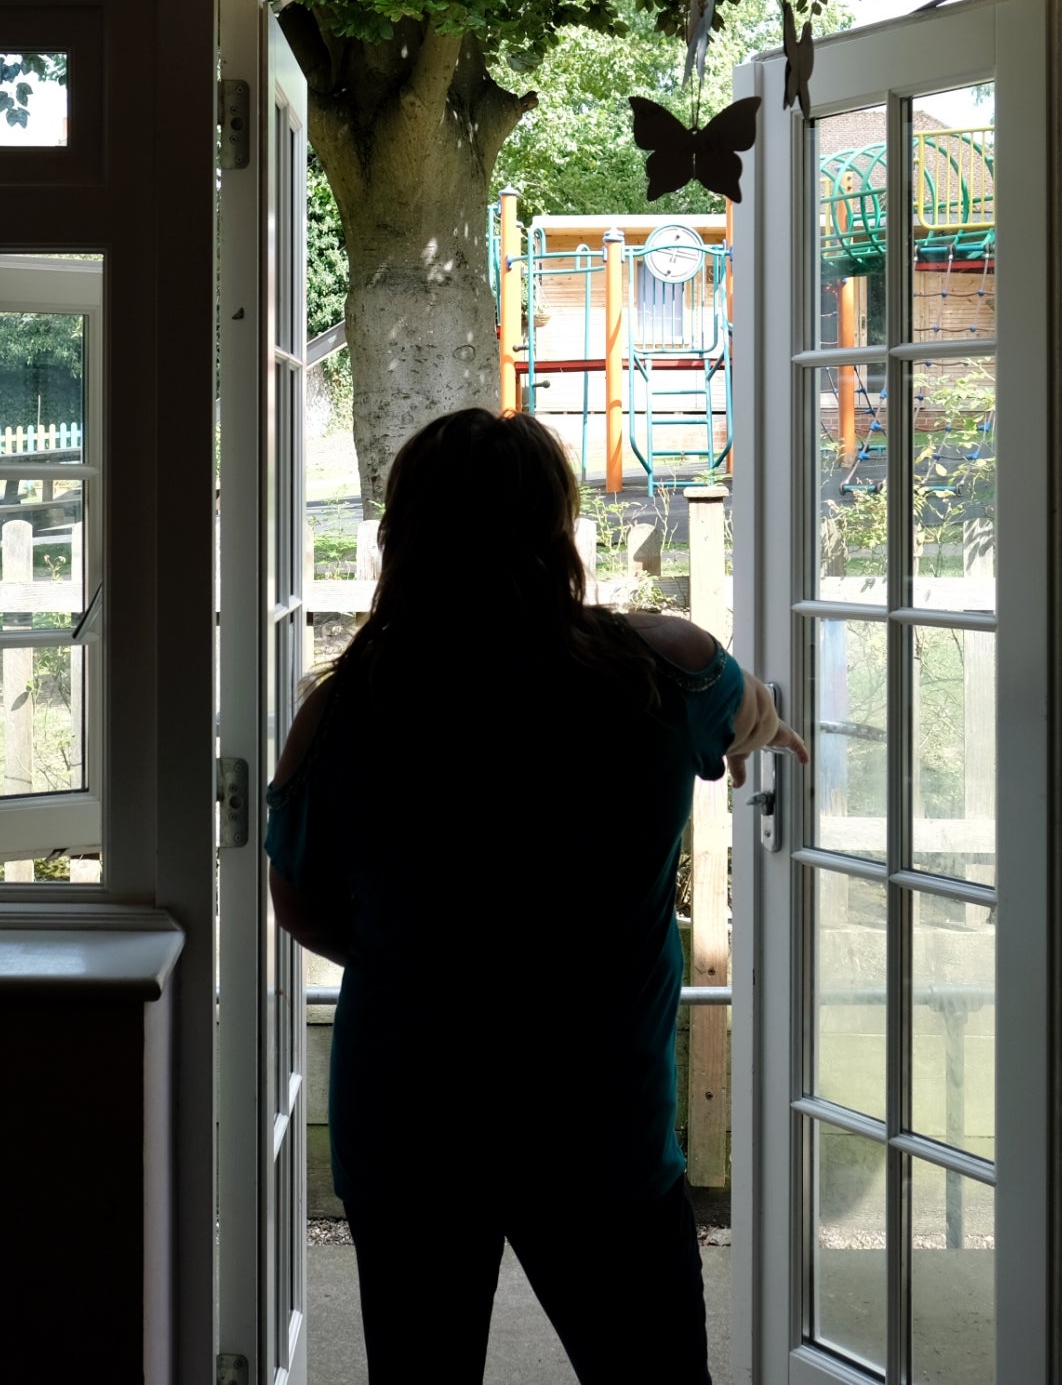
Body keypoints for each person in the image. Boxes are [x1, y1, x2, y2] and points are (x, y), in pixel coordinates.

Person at [263, 408, 807, 1381]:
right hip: (595, 1105)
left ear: (401, 538)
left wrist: (420, 951)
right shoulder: (659, 669)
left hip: (408, 1103)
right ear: (558, 533)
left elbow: (299, 904)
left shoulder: (338, 711)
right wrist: (759, 717)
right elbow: (743, 712)